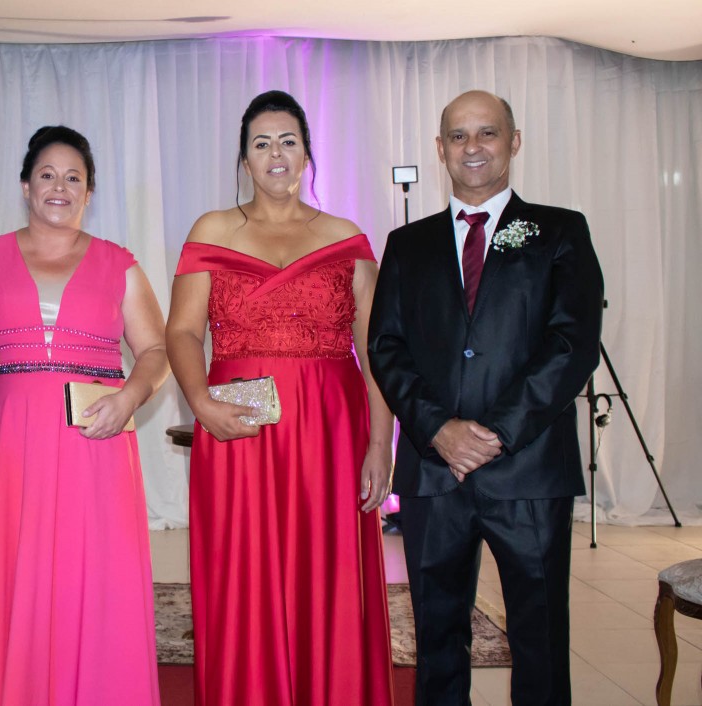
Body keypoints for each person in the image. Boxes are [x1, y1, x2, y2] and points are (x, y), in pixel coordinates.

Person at [367, 90, 604, 705]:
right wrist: (438, 429)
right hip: (433, 472)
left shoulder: (560, 231)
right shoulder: (406, 244)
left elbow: (573, 343)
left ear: (513, 141)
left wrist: (496, 433)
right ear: (440, 148)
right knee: (437, 637)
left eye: (487, 133)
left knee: (539, 636)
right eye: (458, 135)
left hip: (529, 469)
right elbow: (386, 347)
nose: (473, 147)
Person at [166, 90, 395, 705]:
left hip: (330, 434)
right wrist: (200, 403)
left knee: (329, 573)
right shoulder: (212, 230)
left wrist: (380, 444)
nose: (275, 153)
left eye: (288, 141)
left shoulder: (346, 238)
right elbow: (182, 332)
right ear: (244, 159)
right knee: (242, 571)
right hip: (237, 428)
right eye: (261, 142)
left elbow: (377, 352)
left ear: (307, 155)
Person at [0, 125, 168, 706]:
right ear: (25, 186)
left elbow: (156, 350)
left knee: (89, 577)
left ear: (89, 192)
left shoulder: (119, 264)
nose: (60, 188)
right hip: (4, 444)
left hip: (95, 444)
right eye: (47, 175)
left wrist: (129, 398)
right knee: (5, 575)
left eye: (74, 178)